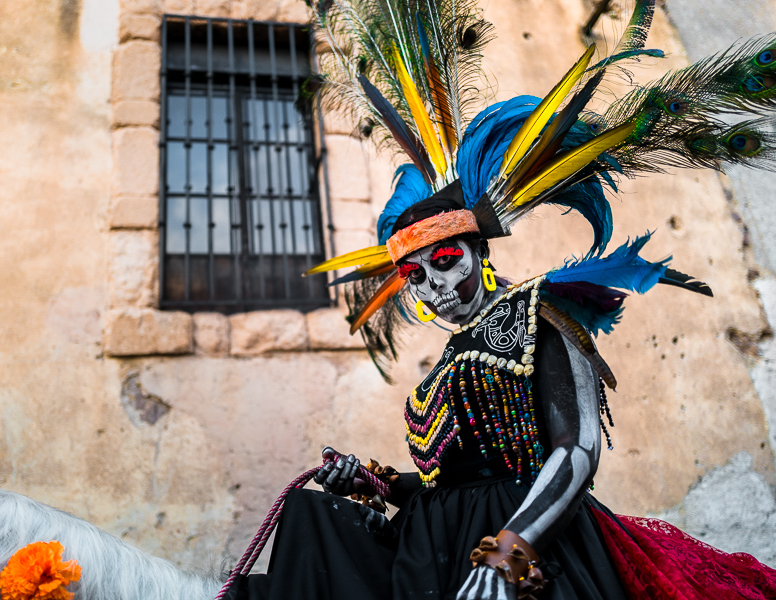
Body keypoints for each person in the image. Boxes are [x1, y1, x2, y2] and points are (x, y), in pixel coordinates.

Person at [223, 0, 776, 598]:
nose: (433, 287)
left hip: (522, 550)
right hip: (432, 548)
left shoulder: (540, 314)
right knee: (313, 526)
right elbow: (448, 488)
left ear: (478, 254)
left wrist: (512, 549)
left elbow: (577, 450)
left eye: (444, 261)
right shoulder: (446, 366)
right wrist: (377, 483)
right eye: (414, 276)